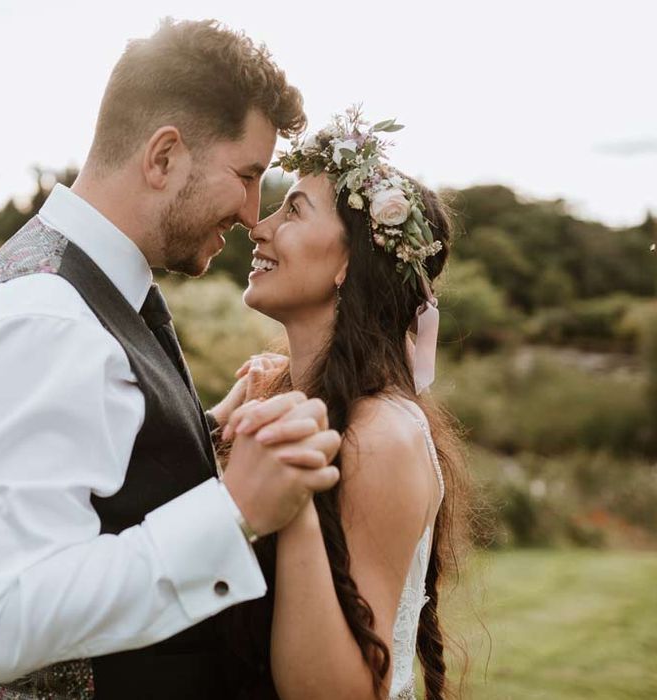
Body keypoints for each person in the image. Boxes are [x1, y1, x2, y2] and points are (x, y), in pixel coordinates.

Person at [0, 19, 342, 699]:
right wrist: (235, 508)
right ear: (163, 157)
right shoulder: (39, 317)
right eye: (246, 175)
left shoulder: (97, 288)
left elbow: (92, 476)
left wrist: (203, 435)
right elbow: (5, 620)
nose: (250, 213)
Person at [221, 108, 471, 699]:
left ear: (347, 262)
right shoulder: (285, 397)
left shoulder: (380, 436)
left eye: (294, 210)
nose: (258, 225)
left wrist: (294, 494)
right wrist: (220, 428)